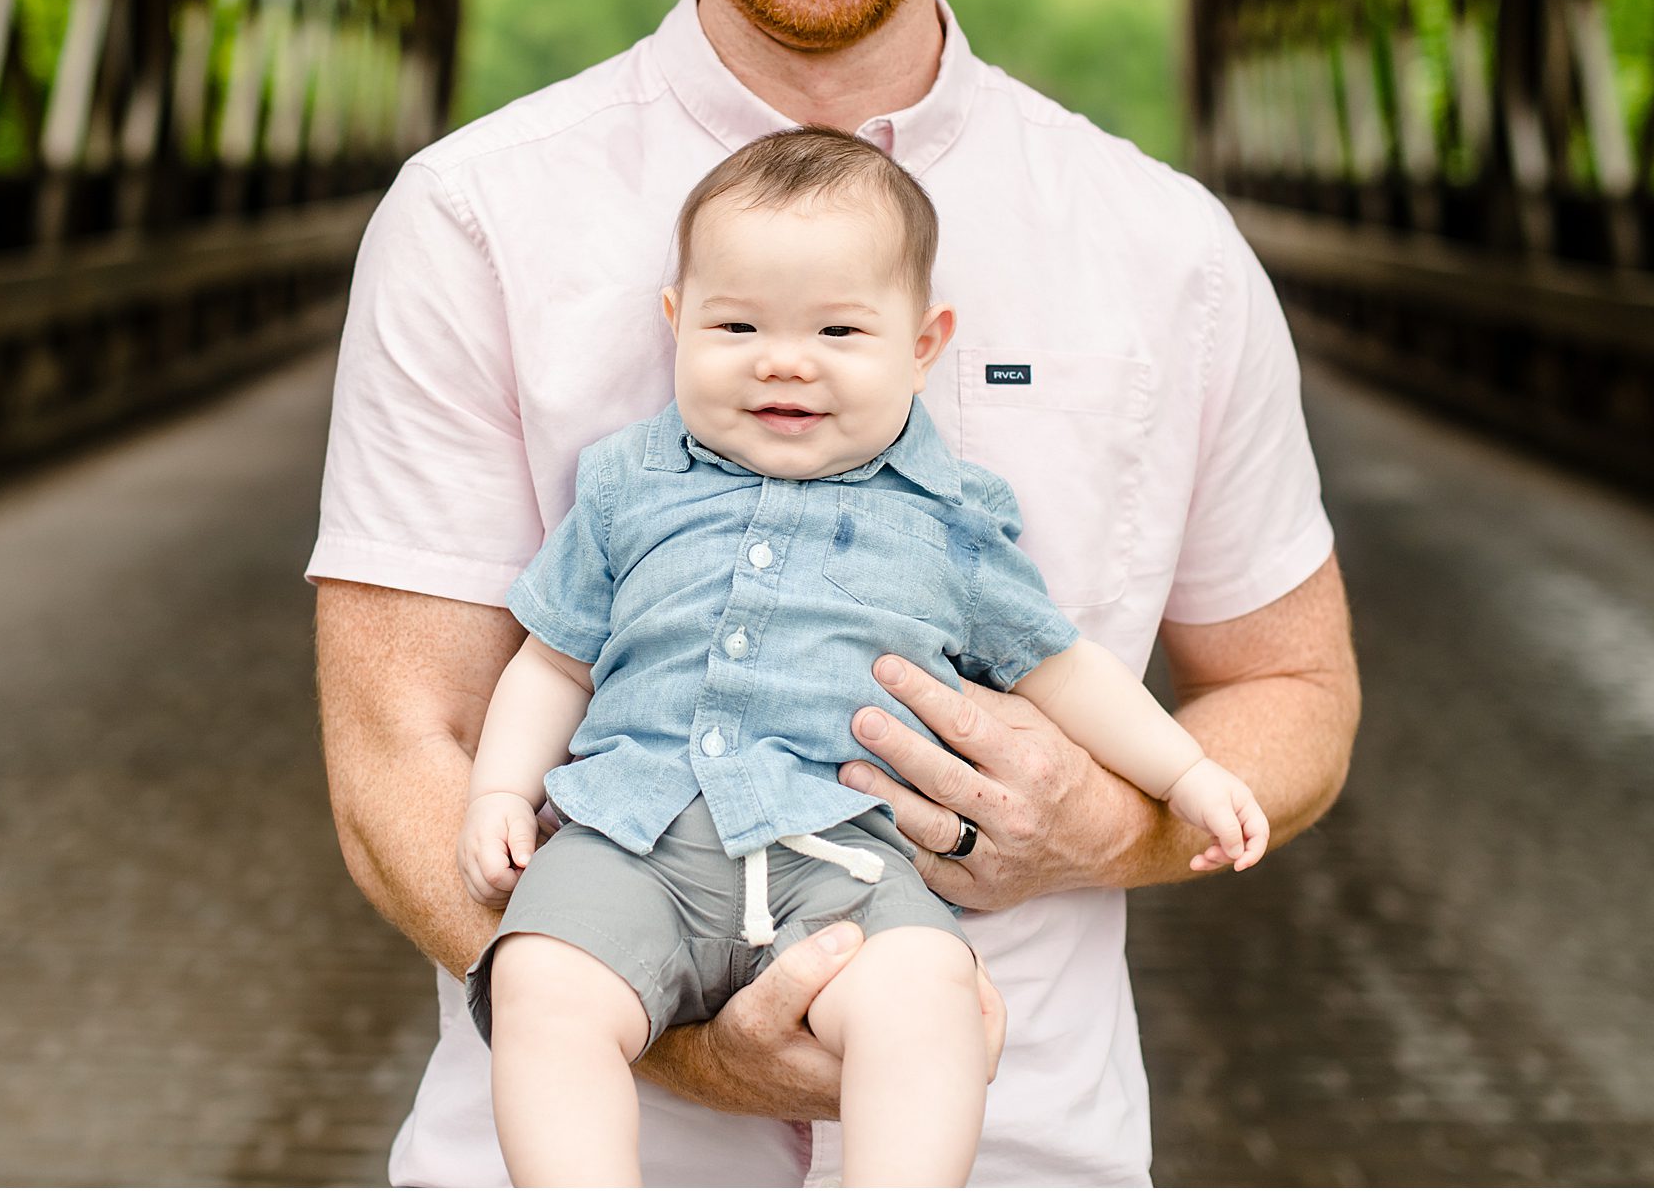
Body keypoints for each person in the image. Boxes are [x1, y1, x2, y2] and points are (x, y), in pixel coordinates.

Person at [310, 0, 1359, 1184]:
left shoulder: (1165, 250)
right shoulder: (474, 218)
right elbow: (404, 747)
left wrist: (1104, 816)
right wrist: (681, 1040)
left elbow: (1297, 691)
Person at [457, 127, 1270, 1187]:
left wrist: (1188, 772)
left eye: (839, 327)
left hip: (843, 857)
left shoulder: (953, 525)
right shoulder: (626, 486)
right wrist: (498, 787)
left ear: (924, 343)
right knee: (543, 981)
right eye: (735, 323)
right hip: (632, 836)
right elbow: (554, 661)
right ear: (675, 323)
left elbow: (1064, 672)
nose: (783, 358)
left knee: (928, 991)